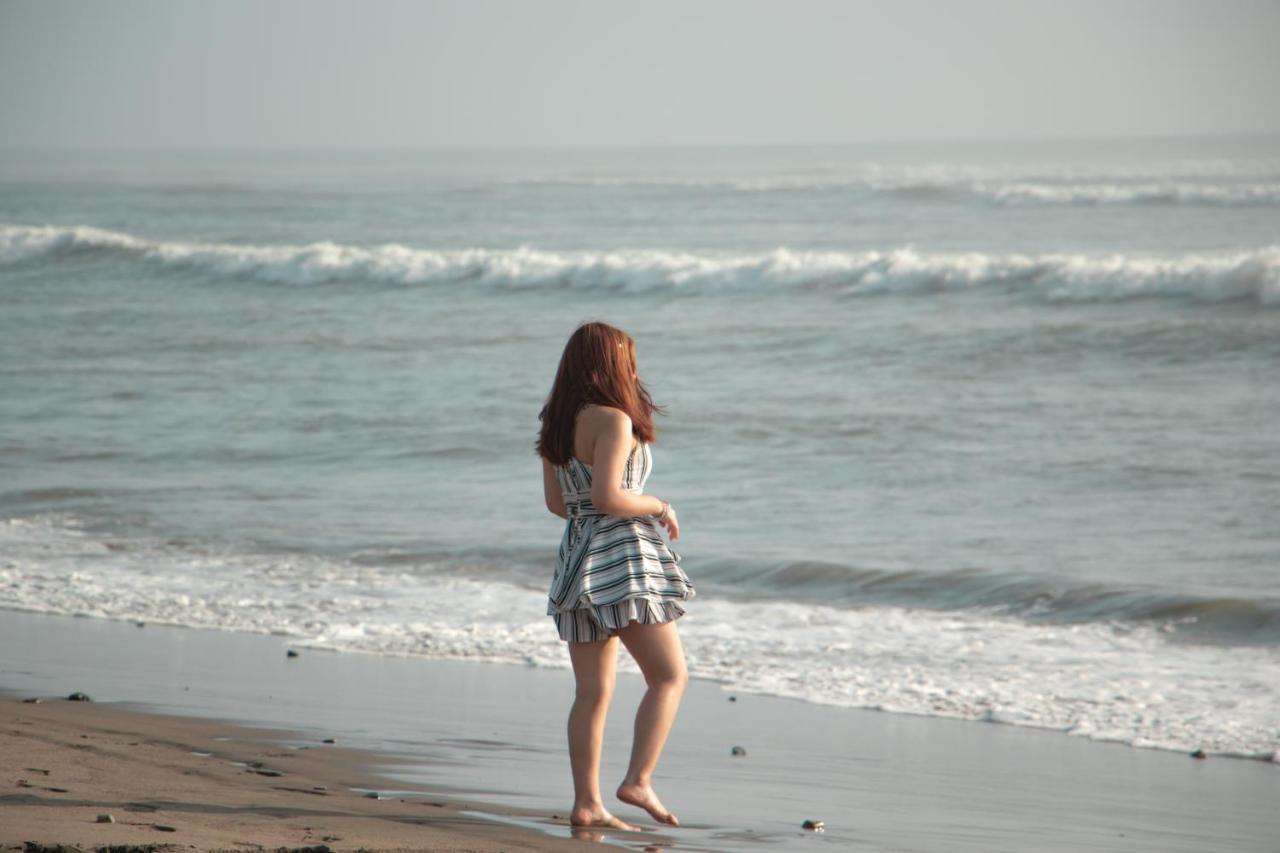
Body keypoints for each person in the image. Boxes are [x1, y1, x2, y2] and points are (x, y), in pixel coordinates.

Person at [536, 320, 696, 831]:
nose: (635, 366)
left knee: (591, 692)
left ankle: (587, 803)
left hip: (576, 558)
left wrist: (598, 514)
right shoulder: (614, 420)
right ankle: (638, 780)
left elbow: (559, 504)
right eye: (629, 356)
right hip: (620, 559)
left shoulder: (557, 424)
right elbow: (609, 498)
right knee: (669, 676)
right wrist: (659, 504)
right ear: (611, 364)